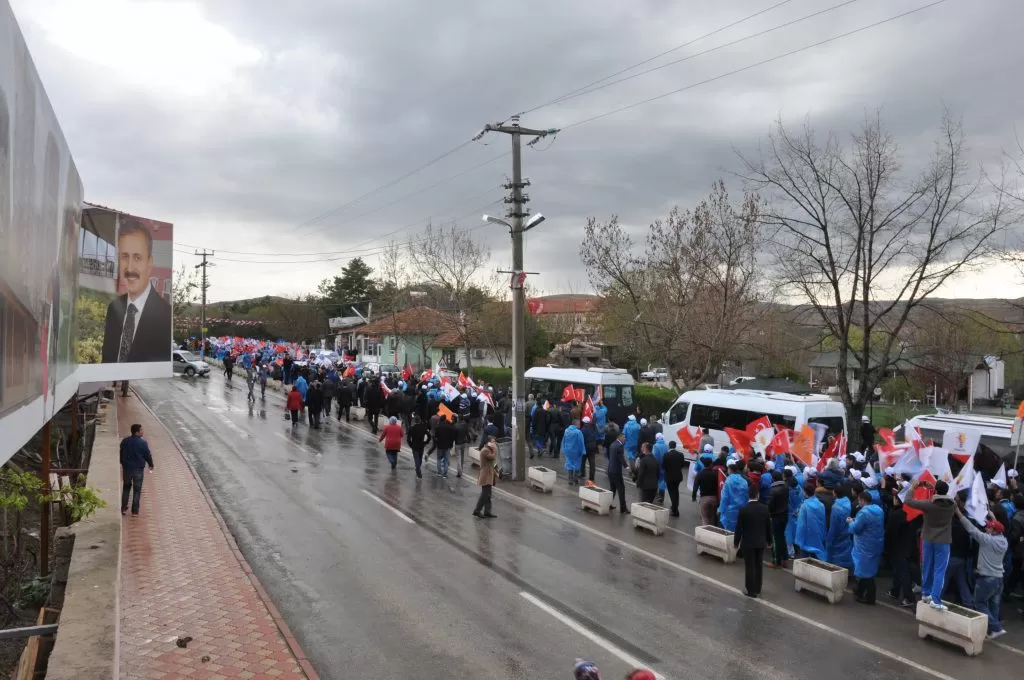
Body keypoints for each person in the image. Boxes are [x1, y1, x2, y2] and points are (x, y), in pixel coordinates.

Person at [100, 220, 173, 363]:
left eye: (137, 257)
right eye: (125, 257)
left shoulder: (166, 317)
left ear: (149, 263)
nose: (130, 267)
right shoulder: (113, 309)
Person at [954, 505, 1008, 639]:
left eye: (989, 527)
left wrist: (959, 513)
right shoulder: (1004, 541)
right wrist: (993, 518)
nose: (986, 528)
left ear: (993, 530)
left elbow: (971, 529)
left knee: (979, 603)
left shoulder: (986, 540)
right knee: (993, 605)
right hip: (998, 579)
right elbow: (1000, 530)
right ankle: (992, 630)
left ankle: (996, 628)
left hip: (987, 579)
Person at [906, 479, 956, 610]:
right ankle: (936, 599)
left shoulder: (928, 505)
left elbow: (908, 501)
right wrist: (934, 488)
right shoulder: (952, 505)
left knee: (927, 566)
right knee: (940, 570)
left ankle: (926, 593)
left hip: (927, 539)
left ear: (936, 491)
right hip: (943, 541)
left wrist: (913, 488)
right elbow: (945, 496)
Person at [734, 482, 772, 598]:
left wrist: (736, 542)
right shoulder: (765, 509)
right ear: (758, 495)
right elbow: (768, 527)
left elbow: (739, 528)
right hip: (760, 542)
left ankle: (750, 590)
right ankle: (758, 587)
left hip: (748, 542)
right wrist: (769, 541)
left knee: (749, 566)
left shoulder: (743, 510)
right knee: (758, 565)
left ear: (748, 495)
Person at [849, 491, 885, 604]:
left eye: (859, 500)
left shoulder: (863, 513)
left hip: (864, 546)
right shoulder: (879, 510)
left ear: (863, 500)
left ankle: (870, 597)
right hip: (876, 544)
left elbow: (856, 529)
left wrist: (850, 522)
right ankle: (860, 591)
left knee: (865, 571)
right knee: (868, 569)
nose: (858, 502)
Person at [886, 493, 917, 607]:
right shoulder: (910, 513)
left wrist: (887, 547)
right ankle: (895, 591)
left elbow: (890, 533)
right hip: (908, 547)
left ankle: (909, 598)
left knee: (903, 574)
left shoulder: (896, 515)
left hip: (898, 548)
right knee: (899, 572)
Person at [119, 423, 154, 516]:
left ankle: (123, 508)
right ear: (137, 432)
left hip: (127, 468)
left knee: (126, 487)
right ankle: (135, 511)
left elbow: (121, 453)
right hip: (138, 469)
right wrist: (151, 464)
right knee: (137, 490)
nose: (143, 431)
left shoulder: (125, 441)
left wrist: (123, 463)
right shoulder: (143, 443)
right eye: (141, 430)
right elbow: (147, 455)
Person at [795, 483, 828, 560]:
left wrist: (799, 539)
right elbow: (823, 521)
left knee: (804, 559)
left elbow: (801, 525)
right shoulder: (821, 505)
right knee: (816, 558)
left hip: (806, 536)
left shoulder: (804, 506)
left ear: (805, 492)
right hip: (818, 534)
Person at [826, 484, 854, 569]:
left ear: (834, 493)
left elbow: (833, 526)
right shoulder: (847, 502)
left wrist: (829, 538)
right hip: (847, 532)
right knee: (846, 553)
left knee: (836, 556)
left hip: (837, 535)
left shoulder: (835, 507)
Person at [718, 459, 749, 532]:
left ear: (730, 470)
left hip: (728, 512)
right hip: (740, 511)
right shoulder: (744, 481)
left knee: (726, 533)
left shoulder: (728, 480)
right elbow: (746, 497)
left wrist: (720, 510)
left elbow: (725, 498)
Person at [768, 470, 791, 567]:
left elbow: (770, 505)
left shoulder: (773, 490)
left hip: (776, 516)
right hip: (784, 514)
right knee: (782, 537)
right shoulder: (786, 487)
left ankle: (775, 560)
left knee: (775, 539)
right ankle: (785, 559)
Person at [473, 435, 498, 518]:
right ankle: (477, 510)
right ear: (488, 442)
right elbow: (493, 457)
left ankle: (487, 511)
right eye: (493, 442)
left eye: (495, 442)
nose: (494, 443)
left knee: (488, 494)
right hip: (485, 474)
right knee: (485, 494)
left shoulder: (489, 450)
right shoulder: (485, 450)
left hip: (489, 474)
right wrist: (495, 450)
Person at [693, 455, 721, 527]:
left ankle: (705, 533)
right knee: (712, 518)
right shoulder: (715, 474)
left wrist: (694, 496)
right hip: (714, 499)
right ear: (711, 464)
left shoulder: (700, 474)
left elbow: (695, 486)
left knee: (705, 518)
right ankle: (712, 532)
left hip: (704, 498)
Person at [606, 432, 629, 514]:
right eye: (623, 437)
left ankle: (608, 504)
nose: (624, 439)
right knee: (621, 489)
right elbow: (621, 458)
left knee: (612, 489)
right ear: (619, 437)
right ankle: (623, 508)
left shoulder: (612, 444)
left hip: (610, 470)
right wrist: (626, 466)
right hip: (616, 471)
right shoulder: (620, 446)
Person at [662, 441, 685, 517]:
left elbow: (663, 466)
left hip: (669, 477)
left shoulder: (666, 455)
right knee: (676, 492)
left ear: (669, 446)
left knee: (672, 493)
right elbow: (682, 465)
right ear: (675, 446)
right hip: (678, 477)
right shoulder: (681, 454)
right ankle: (675, 507)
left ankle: (675, 510)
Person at [561, 419, 586, 486]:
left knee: (569, 464)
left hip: (568, 451)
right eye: (579, 424)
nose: (580, 425)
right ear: (576, 424)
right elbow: (581, 442)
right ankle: (575, 478)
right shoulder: (578, 432)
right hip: (576, 451)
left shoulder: (566, 430)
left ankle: (570, 479)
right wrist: (583, 451)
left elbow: (564, 440)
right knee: (577, 464)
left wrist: (563, 449)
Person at [433, 412, 457, 478]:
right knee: (446, 460)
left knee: (438, 459)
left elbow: (435, 437)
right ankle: (445, 474)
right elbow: (452, 437)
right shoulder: (450, 428)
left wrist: (436, 443)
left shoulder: (438, 427)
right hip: (447, 446)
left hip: (440, 446)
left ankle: (439, 472)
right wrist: (451, 444)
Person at [407, 414, 431, 478]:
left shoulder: (411, 428)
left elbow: (408, 439)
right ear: (420, 421)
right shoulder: (423, 427)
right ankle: (418, 468)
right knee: (420, 458)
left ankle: (418, 469)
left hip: (414, 445)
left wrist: (410, 445)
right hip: (421, 445)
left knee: (416, 459)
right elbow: (429, 436)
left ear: (414, 421)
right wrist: (426, 442)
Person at [652, 433, 668, 504]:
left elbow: (654, 456)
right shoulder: (666, 445)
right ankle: (662, 497)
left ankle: (656, 496)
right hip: (664, 466)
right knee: (662, 482)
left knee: (655, 481)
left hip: (657, 466)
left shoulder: (655, 446)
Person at [581, 416, 598, 482]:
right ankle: (592, 477)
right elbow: (594, 420)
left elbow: (582, 440)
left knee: (583, 461)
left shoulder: (583, 430)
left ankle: (582, 474)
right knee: (592, 462)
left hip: (585, 446)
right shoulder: (593, 427)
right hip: (593, 446)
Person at [453, 414, 470, 479]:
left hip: (458, 443)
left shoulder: (456, 425)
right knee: (462, 457)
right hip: (463, 442)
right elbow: (467, 433)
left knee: (458, 458)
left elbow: (454, 435)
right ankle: (461, 469)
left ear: (458, 419)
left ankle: (459, 471)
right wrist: (468, 439)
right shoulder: (465, 424)